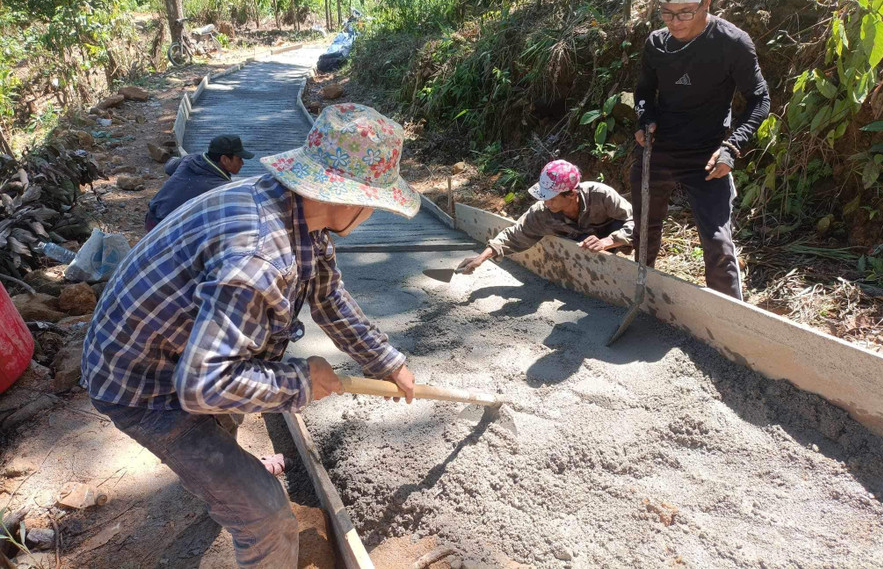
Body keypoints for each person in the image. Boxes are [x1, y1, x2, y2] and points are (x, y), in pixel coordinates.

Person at [82, 104, 420, 567]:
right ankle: (234, 496)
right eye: (375, 204)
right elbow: (204, 385)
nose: (370, 216)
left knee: (227, 420)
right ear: (348, 199)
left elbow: (329, 297)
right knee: (266, 517)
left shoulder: (295, 210)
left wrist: (387, 361)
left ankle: (222, 481)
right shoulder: (261, 255)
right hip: (142, 386)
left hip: (180, 354)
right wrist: (302, 380)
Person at [633, 0, 770, 300]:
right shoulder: (656, 44)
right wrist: (644, 119)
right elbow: (643, 93)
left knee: (718, 242)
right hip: (660, 147)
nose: (674, 22)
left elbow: (760, 98)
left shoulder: (732, 43)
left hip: (708, 153)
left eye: (685, 13)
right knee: (644, 232)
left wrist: (733, 147)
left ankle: (729, 322)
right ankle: (638, 296)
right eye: (666, 13)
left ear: (707, 3)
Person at [457, 159, 633, 274]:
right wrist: (481, 257)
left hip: (613, 238)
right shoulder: (542, 212)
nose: (546, 202)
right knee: (581, 243)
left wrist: (608, 241)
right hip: (585, 245)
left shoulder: (601, 195)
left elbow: (637, 222)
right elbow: (514, 234)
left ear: (571, 194)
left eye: (551, 198)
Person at [145, 134, 254, 231]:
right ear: (225, 159)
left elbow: (169, 167)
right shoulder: (220, 187)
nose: (242, 163)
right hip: (166, 228)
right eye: (239, 159)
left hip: (152, 215)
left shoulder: (191, 159)